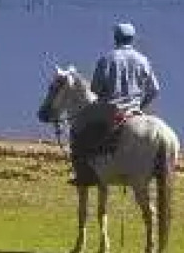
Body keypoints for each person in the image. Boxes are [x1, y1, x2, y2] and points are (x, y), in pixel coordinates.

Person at [67, 21, 161, 180]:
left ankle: (83, 174)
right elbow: (154, 90)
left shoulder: (107, 59)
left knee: (80, 132)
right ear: (132, 39)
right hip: (135, 111)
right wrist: (140, 106)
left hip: (111, 111)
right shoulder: (143, 60)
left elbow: (95, 89)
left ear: (115, 38)